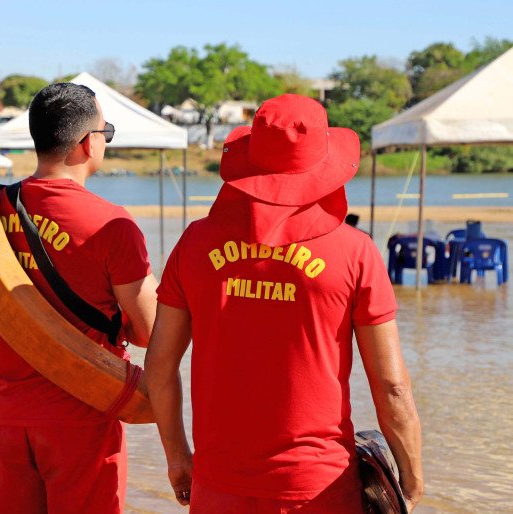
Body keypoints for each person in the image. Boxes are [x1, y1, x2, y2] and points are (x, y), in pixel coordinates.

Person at [145, 95, 423, 513]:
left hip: (217, 486)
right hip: (318, 489)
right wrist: (411, 477)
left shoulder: (194, 245)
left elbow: (160, 367)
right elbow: (392, 387)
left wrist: (178, 456)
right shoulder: (355, 252)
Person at [0, 83, 158, 514]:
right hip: (84, 416)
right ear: (87, 144)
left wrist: (15, 381)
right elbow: (149, 330)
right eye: (105, 131)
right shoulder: (112, 224)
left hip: (11, 415)